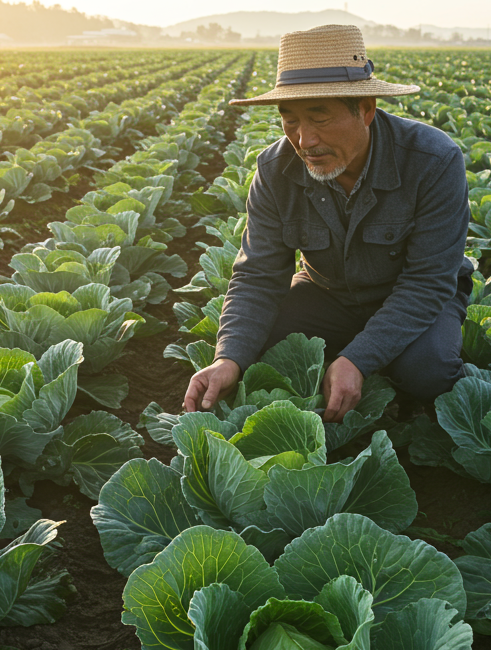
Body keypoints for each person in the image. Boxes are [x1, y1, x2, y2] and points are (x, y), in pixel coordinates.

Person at [182, 24, 473, 423]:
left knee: (428, 372)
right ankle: (361, 360)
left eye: (320, 118)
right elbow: (258, 275)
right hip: (328, 294)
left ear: (366, 109)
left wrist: (358, 357)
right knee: (254, 353)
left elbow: (427, 282)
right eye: (290, 121)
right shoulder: (273, 169)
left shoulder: (433, 161)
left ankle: (391, 361)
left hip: (415, 295)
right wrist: (227, 358)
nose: (304, 140)